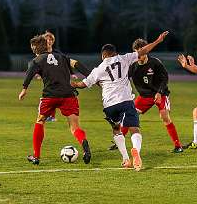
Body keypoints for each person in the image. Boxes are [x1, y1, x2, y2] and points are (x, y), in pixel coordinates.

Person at [72, 31, 169, 171]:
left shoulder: (98, 69)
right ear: (115, 53)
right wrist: (158, 41)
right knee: (134, 128)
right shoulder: (124, 58)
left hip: (109, 105)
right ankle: (135, 150)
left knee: (116, 129)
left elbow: (84, 84)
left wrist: (73, 84)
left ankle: (125, 159)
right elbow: (143, 51)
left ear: (103, 55)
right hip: (125, 100)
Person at [19, 34, 91, 165]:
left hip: (50, 96)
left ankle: (36, 156)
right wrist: (91, 77)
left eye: (32, 48)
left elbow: (30, 71)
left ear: (35, 48)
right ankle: (84, 145)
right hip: (68, 95)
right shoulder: (62, 56)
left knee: (40, 121)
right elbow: (77, 64)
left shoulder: (37, 60)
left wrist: (24, 88)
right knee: (75, 127)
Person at [109, 38, 183, 153]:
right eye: (137, 51)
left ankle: (178, 146)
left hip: (160, 94)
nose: (140, 54)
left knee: (164, 116)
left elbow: (165, 78)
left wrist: (159, 92)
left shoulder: (155, 63)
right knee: (128, 115)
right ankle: (119, 142)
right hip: (144, 97)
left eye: (142, 51)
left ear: (146, 51)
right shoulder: (132, 66)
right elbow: (124, 79)